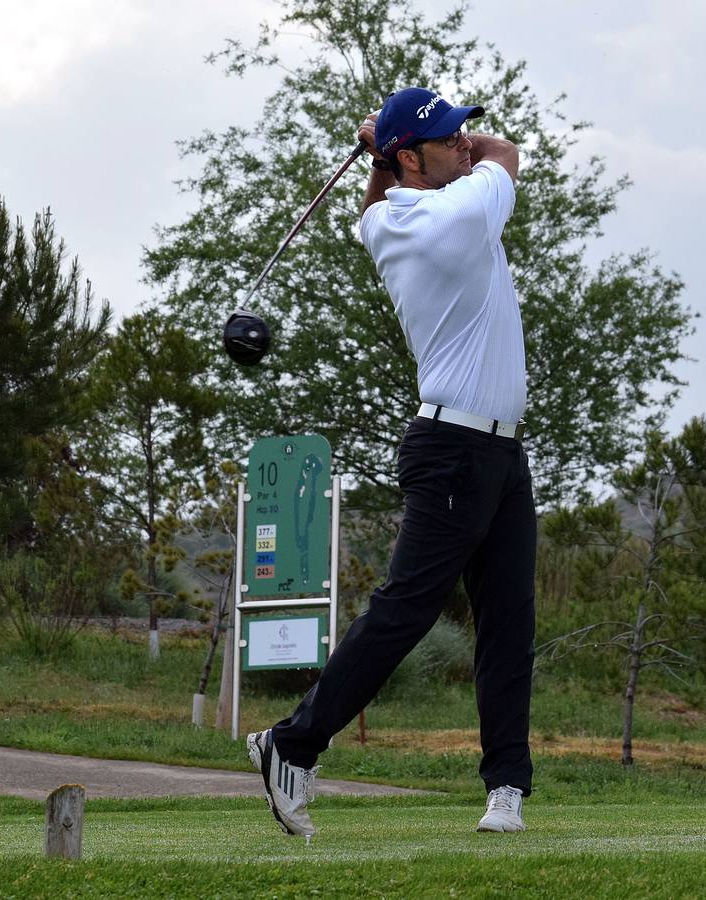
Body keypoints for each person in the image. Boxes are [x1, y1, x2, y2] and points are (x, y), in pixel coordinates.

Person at [247, 87, 535, 839]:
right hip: (454, 449)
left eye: (464, 131)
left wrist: (386, 149)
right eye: (448, 139)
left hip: (499, 450)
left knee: (509, 622)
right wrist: (401, 145)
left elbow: (376, 200)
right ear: (412, 158)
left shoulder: (387, 216)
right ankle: (291, 743)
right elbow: (507, 154)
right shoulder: (457, 215)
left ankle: (506, 785)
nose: (467, 144)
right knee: (405, 611)